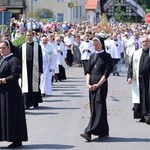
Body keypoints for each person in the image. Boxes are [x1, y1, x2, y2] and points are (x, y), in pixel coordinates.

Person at [80, 36, 113, 141]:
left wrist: (98, 85)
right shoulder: (92, 56)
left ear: (101, 44)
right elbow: (88, 71)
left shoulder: (107, 56)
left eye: (97, 45)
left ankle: (88, 131)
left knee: (99, 106)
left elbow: (106, 73)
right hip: (91, 85)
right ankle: (103, 132)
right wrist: (88, 84)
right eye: (93, 45)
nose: (95, 47)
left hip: (101, 85)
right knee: (95, 108)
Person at [0, 40, 28, 148]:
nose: (1, 50)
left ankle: (17, 139)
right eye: (0, 48)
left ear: (9, 48)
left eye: (3, 48)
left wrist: (2, 80)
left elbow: (15, 76)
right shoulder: (2, 59)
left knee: (12, 116)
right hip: (2, 92)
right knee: (3, 116)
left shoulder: (14, 60)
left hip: (11, 93)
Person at [127, 36, 150, 125]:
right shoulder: (136, 53)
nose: (145, 43)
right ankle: (142, 115)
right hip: (138, 78)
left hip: (148, 78)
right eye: (143, 41)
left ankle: (148, 114)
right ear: (141, 43)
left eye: (147, 41)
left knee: (148, 97)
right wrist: (129, 76)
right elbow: (131, 66)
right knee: (140, 96)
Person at [21, 30, 43, 109]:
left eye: (30, 35)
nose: (29, 37)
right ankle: (26, 104)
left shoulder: (38, 46)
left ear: (33, 36)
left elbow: (40, 59)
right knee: (26, 86)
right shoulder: (23, 46)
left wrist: (40, 70)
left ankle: (35, 102)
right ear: (26, 36)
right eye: (28, 35)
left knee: (34, 85)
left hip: (35, 69)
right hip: (25, 69)